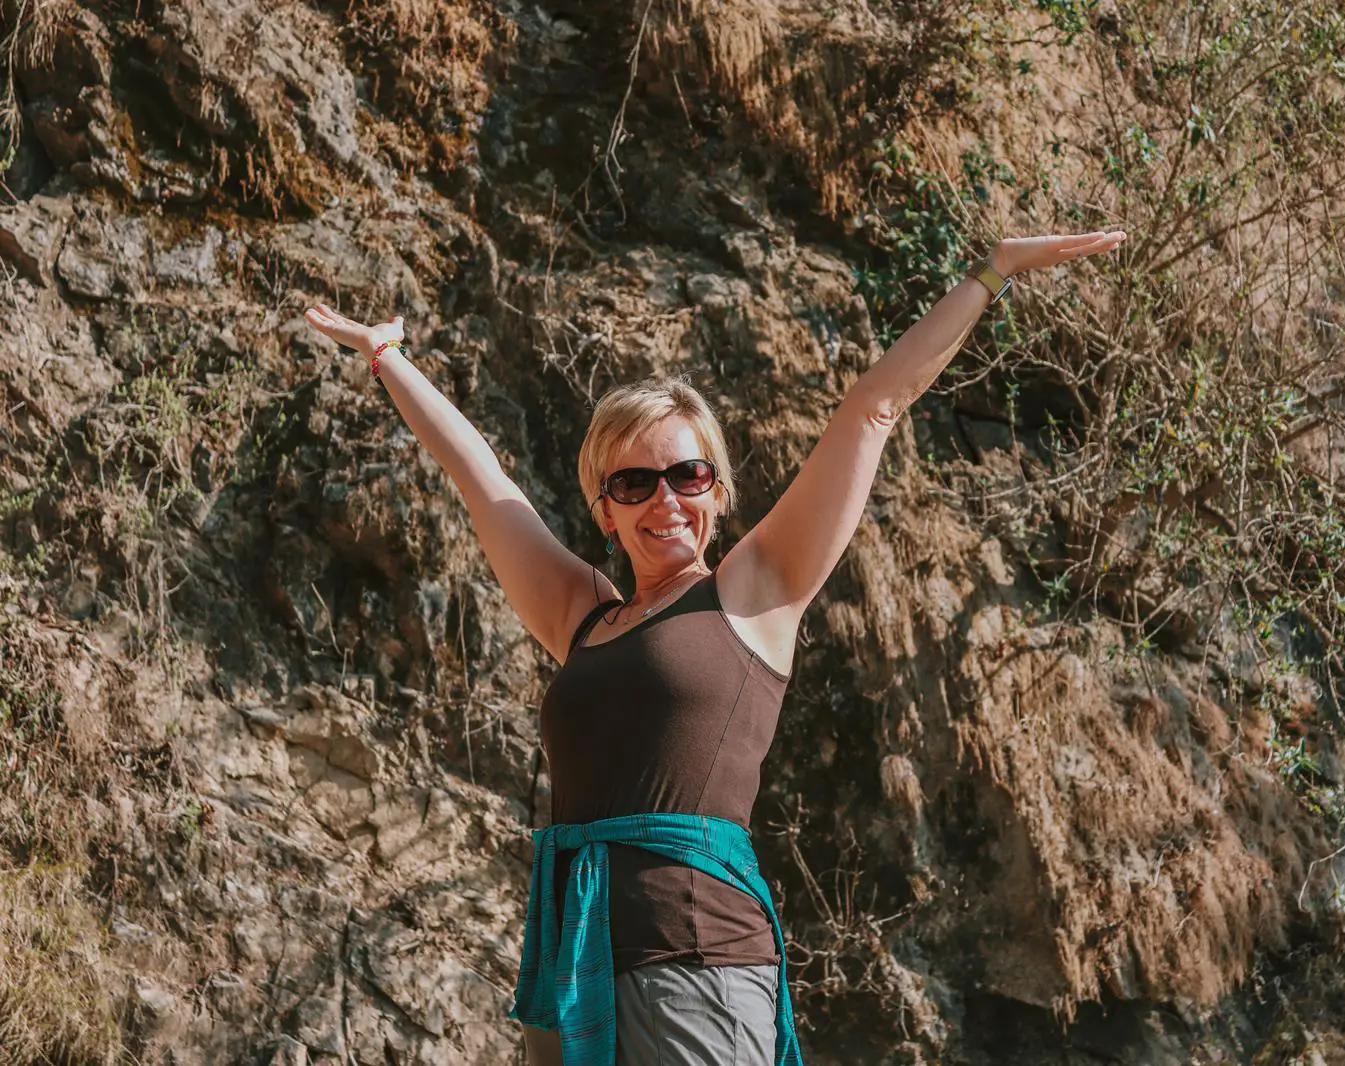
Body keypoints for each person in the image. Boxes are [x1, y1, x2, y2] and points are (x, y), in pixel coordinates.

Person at [303, 230, 1127, 1066]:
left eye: (687, 476)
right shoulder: (581, 616)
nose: (664, 501)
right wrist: (387, 356)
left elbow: (874, 407)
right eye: (634, 483)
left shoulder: (755, 591)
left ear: (719, 492)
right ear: (606, 510)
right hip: (575, 966)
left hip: (697, 960)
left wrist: (994, 269)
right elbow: (483, 482)